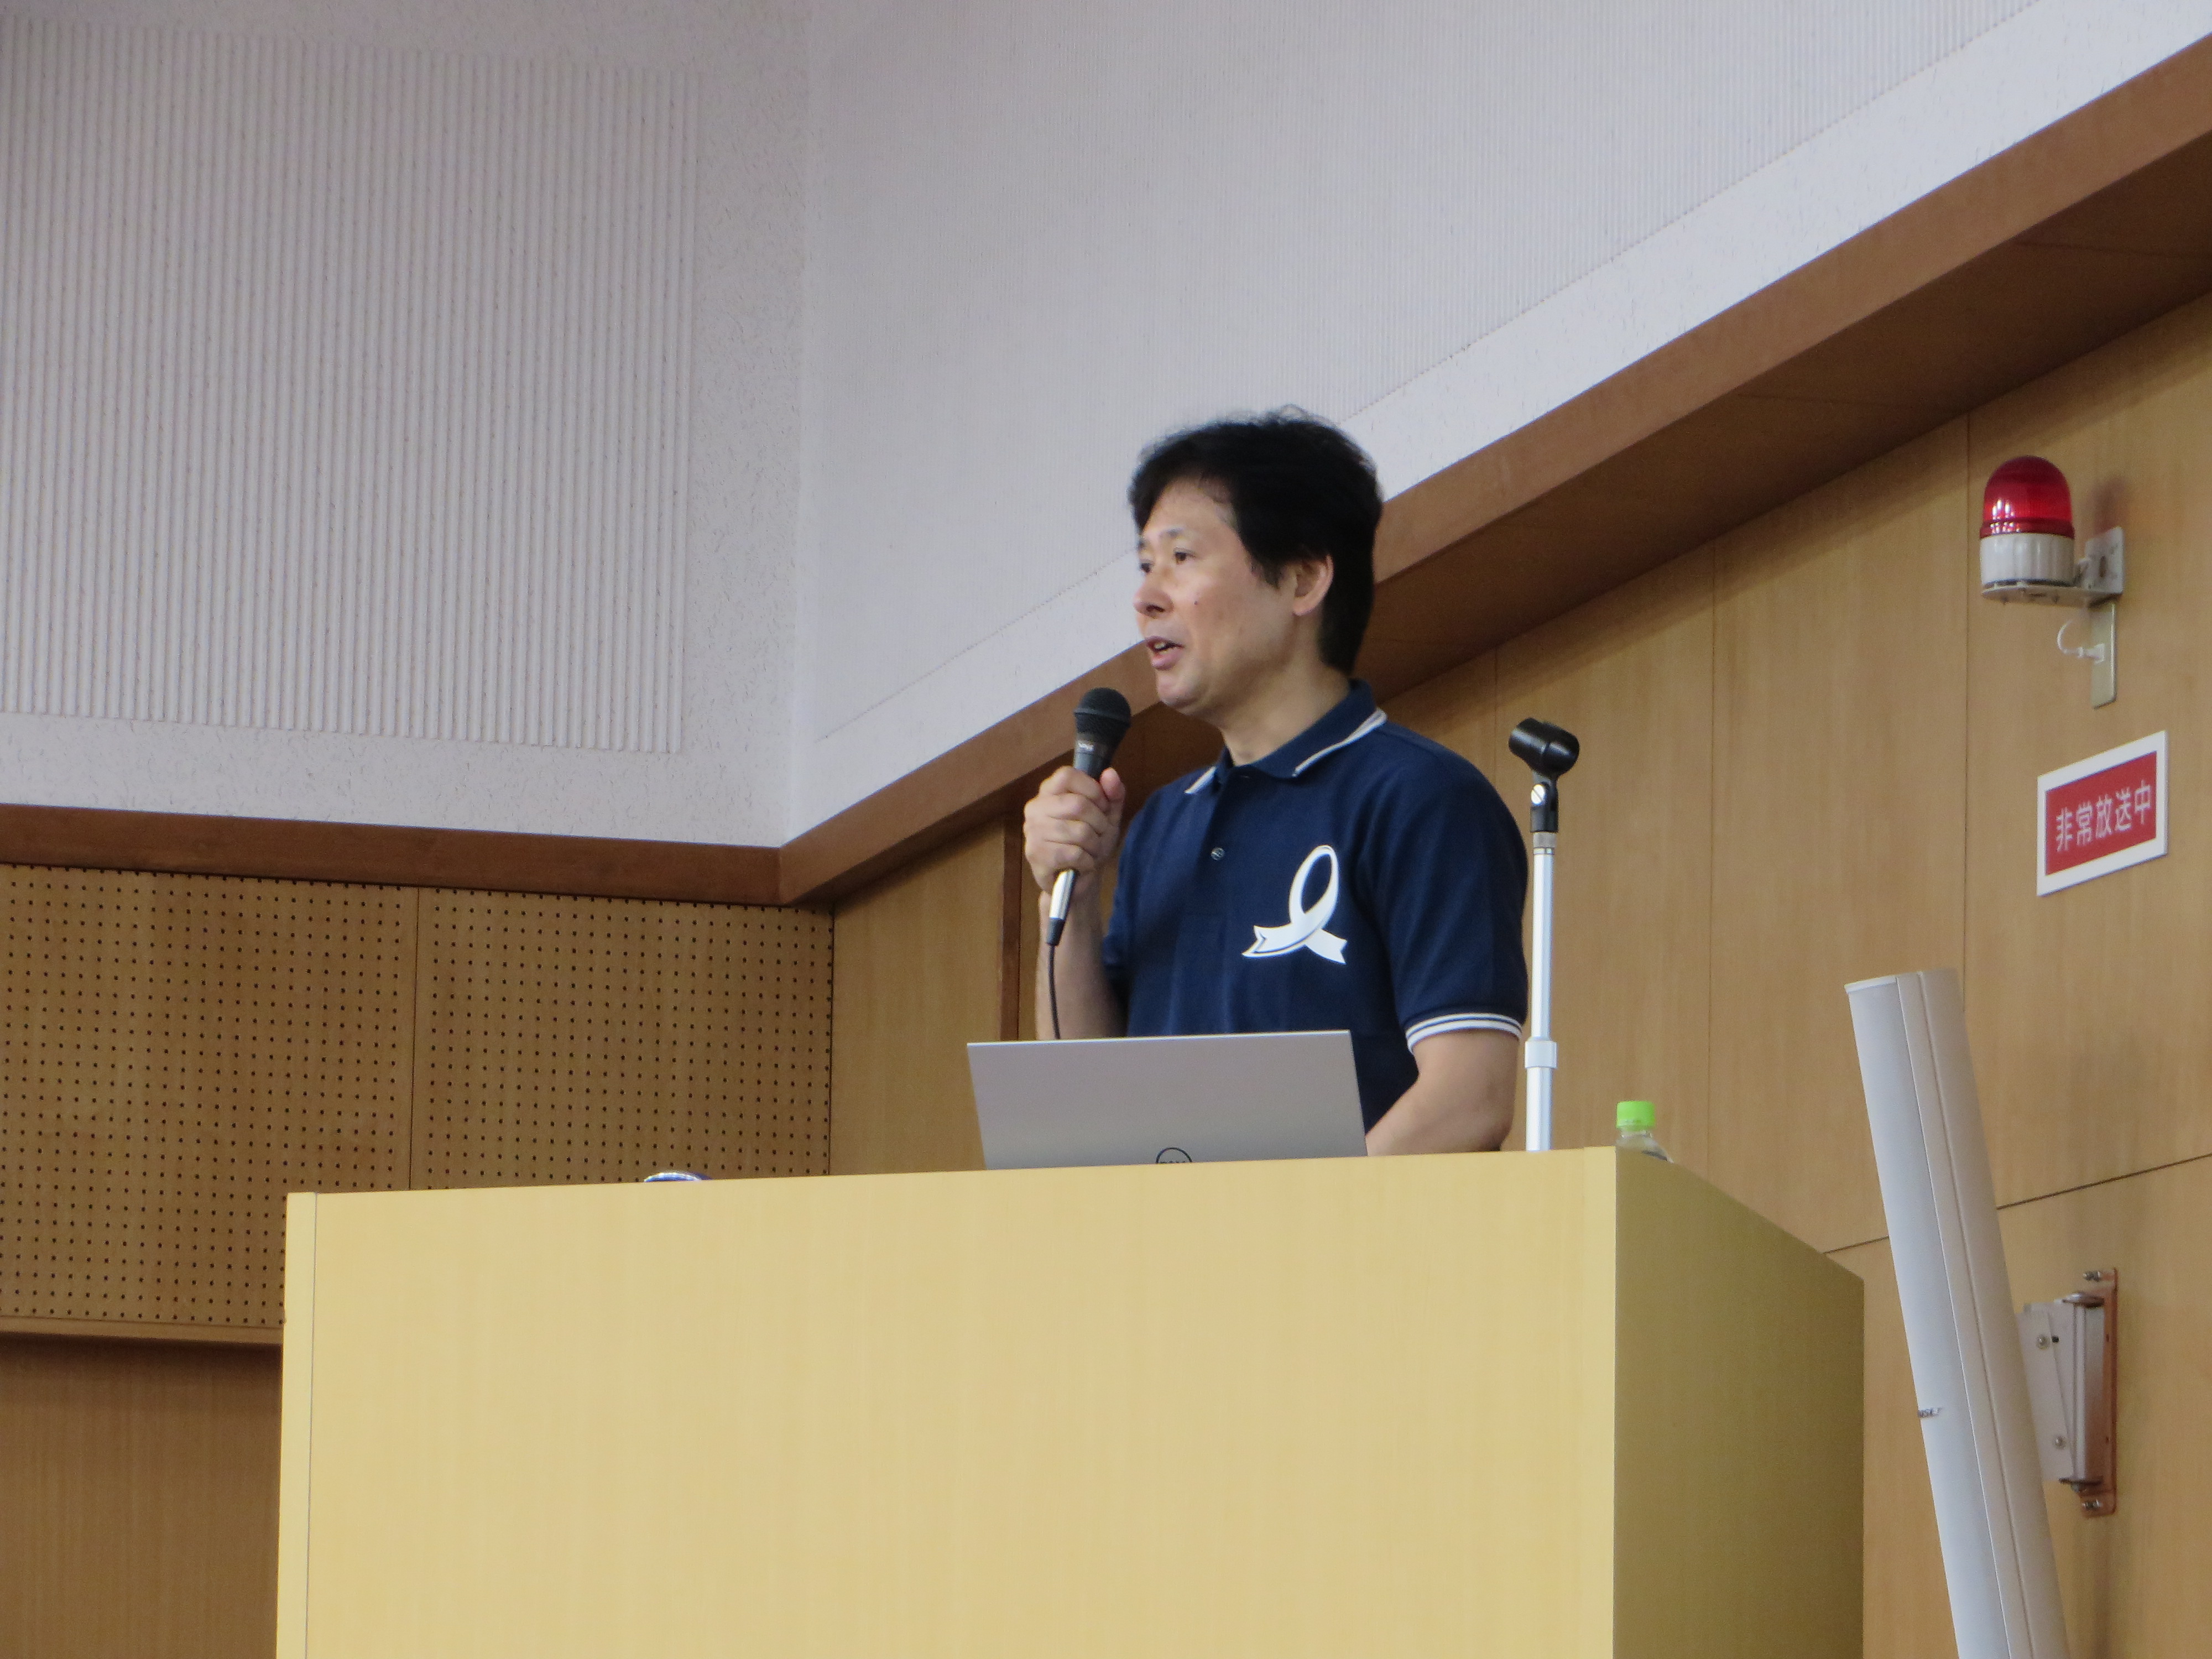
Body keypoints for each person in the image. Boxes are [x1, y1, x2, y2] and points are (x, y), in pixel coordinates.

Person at [1022, 411, 1528, 1154]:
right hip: (1174, 1232)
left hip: (1347, 1233)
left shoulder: (1419, 797)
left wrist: (1294, 1221)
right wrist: (1069, 892)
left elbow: (1468, 1100)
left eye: (1181, 557)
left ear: (1302, 579)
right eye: (1145, 566)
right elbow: (1088, 1100)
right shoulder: (1163, 823)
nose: (1147, 597)